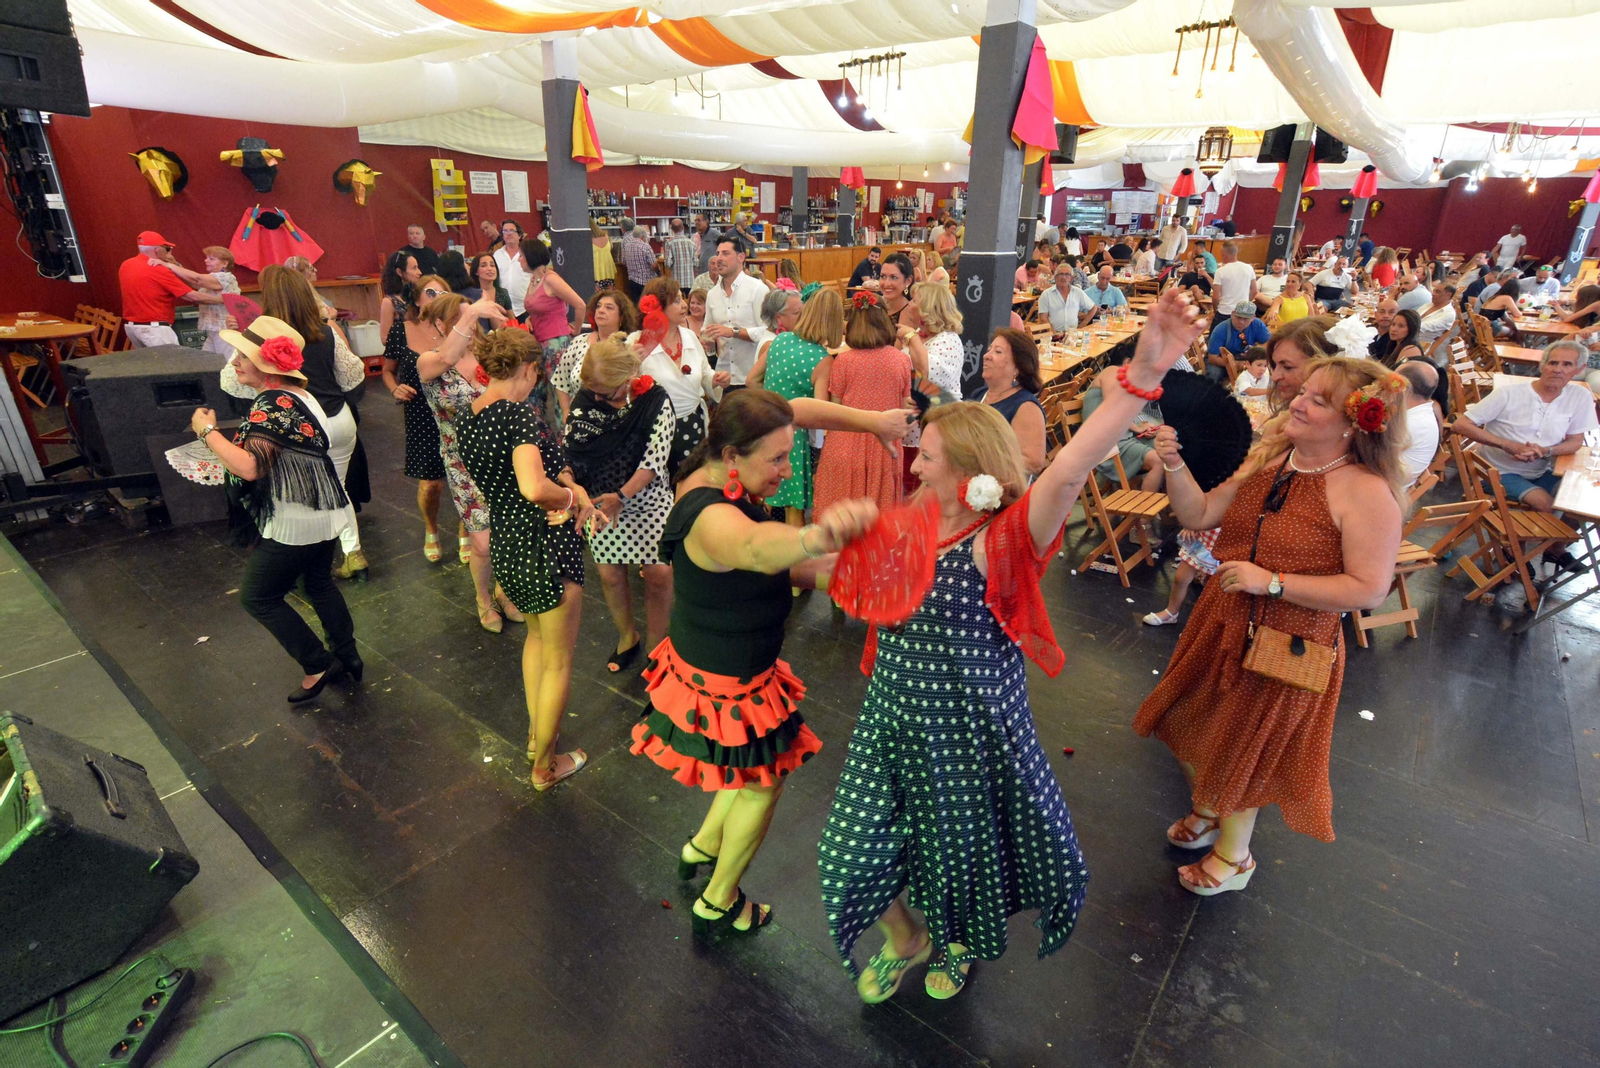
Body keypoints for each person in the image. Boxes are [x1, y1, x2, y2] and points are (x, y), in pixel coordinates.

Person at [824, 288, 1204, 1002]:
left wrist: (1145, 377)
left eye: (927, 454)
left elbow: (1071, 466)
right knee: (847, 848)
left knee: (958, 856)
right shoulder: (911, 516)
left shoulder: (1003, 534)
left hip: (968, 728)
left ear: (969, 466)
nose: (914, 461)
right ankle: (905, 936)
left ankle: (956, 942)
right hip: (890, 718)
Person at [633, 388, 912, 939]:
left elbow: (796, 412)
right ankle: (719, 899)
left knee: (745, 770)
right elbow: (761, 552)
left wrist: (872, 420)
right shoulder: (713, 517)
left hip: (708, 656)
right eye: (779, 459)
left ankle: (704, 844)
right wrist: (821, 536)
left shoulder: (716, 459)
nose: (788, 471)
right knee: (762, 781)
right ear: (733, 456)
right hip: (727, 679)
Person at [1134, 356, 1407, 895]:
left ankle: (1235, 859)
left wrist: (1272, 581)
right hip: (1225, 617)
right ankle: (1211, 812)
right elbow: (1198, 515)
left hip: (1290, 642)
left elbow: (1369, 589)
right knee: (1207, 719)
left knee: (1246, 741)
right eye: (1303, 390)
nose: (1297, 402)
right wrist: (1174, 463)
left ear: (1356, 423)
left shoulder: (1367, 492)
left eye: (1317, 400)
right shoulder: (1273, 458)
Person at [189, 317, 361, 702]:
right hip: (322, 510)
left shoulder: (273, 403)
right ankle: (348, 658)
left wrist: (206, 432)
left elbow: (250, 466)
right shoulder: (299, 395)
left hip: (296, 519)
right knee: (317, 583)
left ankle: (318, 663)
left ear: (265, 366)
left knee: (258, 597)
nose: (235, 362)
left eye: (243, 356)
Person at [460, 328, 599, 790]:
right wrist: (570, 500)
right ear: (528, 369)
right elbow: (534, 488)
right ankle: (544, 765)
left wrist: (564, 486)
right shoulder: (517, 415)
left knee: (536, 642)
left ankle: (537, 737)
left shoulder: (471, 414)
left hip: (508, 543)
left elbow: (515, 480)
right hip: (545, 542)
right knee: (558, 660)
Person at [564, 337, 678, 673]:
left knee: (659, 573)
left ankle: (658, 646)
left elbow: (654, 461)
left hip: (647, 502)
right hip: (600, 502)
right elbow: (572, 448)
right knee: (610, 575)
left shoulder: (656, 400)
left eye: (605, 392)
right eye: (594, 392)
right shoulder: (587, 397)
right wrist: (572, 486)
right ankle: (627, 636)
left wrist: (622, 497)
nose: (596, 398)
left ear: (629, 377)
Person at [256, 264, 369, 579]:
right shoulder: (326, 330)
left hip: (295, 428)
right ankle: (353, 553)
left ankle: (300, 566)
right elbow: (353, 377)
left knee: (295, 499)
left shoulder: (260, 337)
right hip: (337, 420)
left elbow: (233, 383)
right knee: (339, 490)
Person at [416, 293, 520, 631]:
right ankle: (483, 599)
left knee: (507, 533)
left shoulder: (486, 356)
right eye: (464, 319)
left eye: (474, 319)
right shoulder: (430, 362)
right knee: (482, 540)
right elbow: (448, 355)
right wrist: (473, 309)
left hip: (502, 456)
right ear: (438, 325)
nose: (472, 326)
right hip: (463, 462)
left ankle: (504, 593)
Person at [1453, 341, 1597, 514]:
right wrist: (1507, 445)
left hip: (1543, 470)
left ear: (1579, 369)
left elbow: (1575, 441)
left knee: (1579, 503)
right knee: (1547, 504)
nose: (1558, 369)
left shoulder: (1580, 396)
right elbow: (1460, 425)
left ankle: (1557, 542)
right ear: (1542, 365)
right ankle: (1529, 539)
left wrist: (1545, 451)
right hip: (1497, 472)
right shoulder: (1508, 393)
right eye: (1553, 363)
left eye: (1567, 364)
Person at [814, 293, 912, 513]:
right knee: (880, 517)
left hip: (845, 443)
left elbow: (835, 410)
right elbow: (906, 409)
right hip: (884, 444)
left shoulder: (844, 361)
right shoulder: (902, 360)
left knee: (841, 516)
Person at [380, 259, 451, 562]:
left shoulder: (457, 330)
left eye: (443, 294)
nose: (437, 300)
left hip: (456, 411)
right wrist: (394, 388)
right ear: (418, 300)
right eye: (431, 294)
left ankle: (465, 530)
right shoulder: (401, 330)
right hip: (420, 413)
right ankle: (432, 528)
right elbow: (387, 371)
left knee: (467, 477)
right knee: (431, 483)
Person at [755, 288, 845, 522]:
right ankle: (798, 558)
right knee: (794, 511)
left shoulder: (780, 340)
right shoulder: (822, 360)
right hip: (794, 441)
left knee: (770, 501)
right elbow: (819, 413)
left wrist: (771, 406)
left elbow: (751, 380)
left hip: (766, 427)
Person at [636, 276, 728, 474]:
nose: (684, 305)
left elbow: (705, 374)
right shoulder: (638, 342)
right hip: (654, 431)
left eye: (682, 298)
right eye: (676, 301)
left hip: (693, 426)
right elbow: (624, 387)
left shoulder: (689, 337)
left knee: (691, 482)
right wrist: (632, 364)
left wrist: (716, 379)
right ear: (658, 306)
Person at [522, 239, 588, 422]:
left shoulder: (551, 279)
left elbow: (580, 304)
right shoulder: (534, 279)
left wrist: (576, 330)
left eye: (521, 256)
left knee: (560, 395)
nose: (519, 259)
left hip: (556, 343)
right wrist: (529, 319)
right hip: (539, 343)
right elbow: (539, 307)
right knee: (535, 392)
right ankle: (539, 435)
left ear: (530, 257)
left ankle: (563, 439)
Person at [553, 288, 638, 420]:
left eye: (609, 308)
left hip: (618, 419)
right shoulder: (579, 342)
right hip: (579, 418)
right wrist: (565, 412)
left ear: (621, 317)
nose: (601, 310)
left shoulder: (628, 346)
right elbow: (560, 381)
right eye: (598, 306)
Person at [970, 327, 1046, 475]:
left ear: (1017, 367)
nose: (986, 356)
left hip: (1000, 490)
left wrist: (981, 461)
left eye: (998, 352)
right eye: (989, 349)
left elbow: (1033, 463)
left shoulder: (1025, 406)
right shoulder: (978, 395)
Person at [119, 231, 211, 347]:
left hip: (132, 327)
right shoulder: (158, 269)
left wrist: (173, 264)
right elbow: (191, 295)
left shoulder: (126, 265)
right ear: (157, 250)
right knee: (174, 364)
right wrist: (223, 300)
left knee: (150, 364)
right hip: (155, 330)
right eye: (167, 249)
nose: (170, 252)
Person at [704, 237, 767, 388]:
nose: (719, 258)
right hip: (724, 378)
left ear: (741, 257)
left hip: (753, 378)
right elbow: (707, 329)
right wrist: (707, 340)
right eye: (718, 253)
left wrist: (733, 332)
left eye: (725, 253)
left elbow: (767, 333)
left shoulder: (758, 289)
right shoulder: (712, 294)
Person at [1396, 360, 1442, 485]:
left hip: (1386, 489)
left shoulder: (1413, 423)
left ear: (1404, 385)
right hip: (1387, 479)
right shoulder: (1419, 412)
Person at [1205, 302, 1271, 382]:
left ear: (1253, 318)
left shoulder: (1257, 324)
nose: (1241, 322)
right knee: (1213, 374)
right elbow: (1212, 358)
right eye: (1238, 317)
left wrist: (1256, 352)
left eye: (1245, 319)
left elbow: (1269, 342)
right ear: (1232, 314)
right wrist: (1235, 364)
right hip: (1222, 360)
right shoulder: (1220, 329)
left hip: (1247, 358)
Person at [193, 246, 241, 354]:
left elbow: (195, 279)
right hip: (213, 332)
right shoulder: (209, 281)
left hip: (224, 330)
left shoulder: (227, 277)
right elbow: (191, 281)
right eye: (207, 258)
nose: (206, 261)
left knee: (227, 364)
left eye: (211, 259)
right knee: (207, 363)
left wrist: (170, 266)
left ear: (224, 263)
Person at [1038, 263, 1096, 334]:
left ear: (1071, 278)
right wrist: (1055, 334)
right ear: (1055, 277)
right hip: (1053, 334)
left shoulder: (1078, 292)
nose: (1064, 277)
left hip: (1073, 334)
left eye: (1067, 274)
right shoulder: (1046, 294)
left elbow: (1093, 308)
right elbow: (1043, 318)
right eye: (1061, 274)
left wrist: (1082, 326)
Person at [493, 221, 529, 309]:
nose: (508, 234)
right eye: (505, 231)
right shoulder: (497, 255)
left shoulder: (528, 254)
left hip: (525, 307)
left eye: (512, 231)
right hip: (503, 307)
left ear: (519, 235)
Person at [620, 224, 659, 304]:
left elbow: (624, 262)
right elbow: (653, 265)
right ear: (642, 237)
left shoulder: (627, 246)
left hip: (632, 281)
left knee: (636, 305)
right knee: (647, 305)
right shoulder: (645, 247)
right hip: (645, 282)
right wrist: (659, 272)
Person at [1417, 281, 1459, 348]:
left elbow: (1426, 326)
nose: (1433, 294)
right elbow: (1412, 317)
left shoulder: (1449, 314)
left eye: (1438, 292)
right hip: (1406, 335)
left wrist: (1405, 326)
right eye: (1434, 290)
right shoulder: (1428, 305)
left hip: (1419, 344)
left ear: (1448, 295)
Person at [879, 254, 916, 328]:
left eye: (894, 277)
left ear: (908, 281)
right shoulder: (878, 308)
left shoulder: (911, 314)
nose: (886, 284)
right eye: (883, 276)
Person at [660, 217, 697, 289]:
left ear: (672, 229)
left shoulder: (669, 243)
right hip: (690, 281)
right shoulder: (691, 243)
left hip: (676, 282)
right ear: (683, 228)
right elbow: (696, 263)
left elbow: (668, 263)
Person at [587, 220, 616, 293]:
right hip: (608, 271)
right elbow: (611, 247)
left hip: (595, 273)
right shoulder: (606, 236)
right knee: (610, 295)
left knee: (596, 298)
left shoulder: (587, 240)